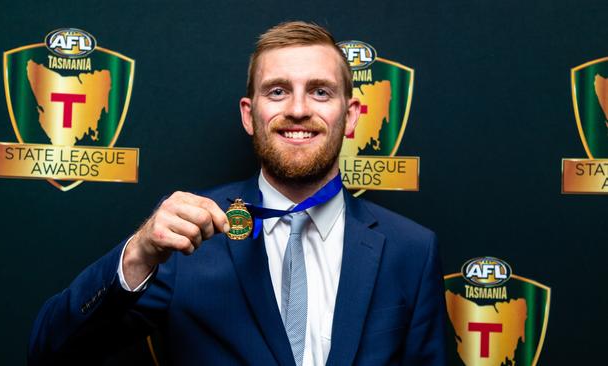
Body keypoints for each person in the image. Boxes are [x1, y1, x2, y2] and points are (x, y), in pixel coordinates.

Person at [28, 21, 446, 365]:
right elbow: (51, 350)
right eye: (277, 91)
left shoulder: (410, 250)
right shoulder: (185, 237)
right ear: (250, 115)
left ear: (351, 116)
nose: (298, 109)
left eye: (320, 91)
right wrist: (139, 253)